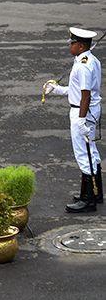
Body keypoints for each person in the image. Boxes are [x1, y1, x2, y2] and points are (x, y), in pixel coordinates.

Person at [43, 27, 101, 212]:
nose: (71, 46)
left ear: (81, 45)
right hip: (87, 110)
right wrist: (59, 89)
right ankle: (95, 192)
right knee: (91, 152)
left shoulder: (83, 65)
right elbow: (78, 91)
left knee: (83, 154)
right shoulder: (90, 59)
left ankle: (87, 200)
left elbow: (85, 96)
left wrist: (82, 121)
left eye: (73, 43)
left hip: (82, 112)